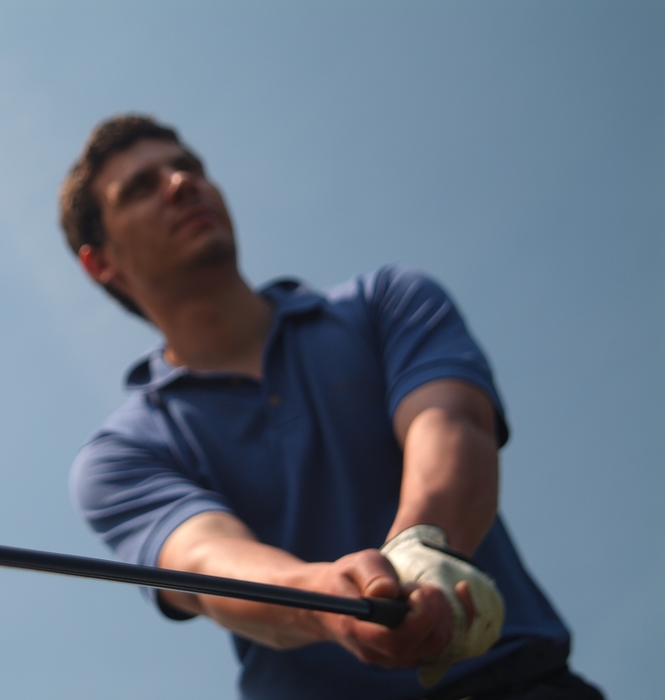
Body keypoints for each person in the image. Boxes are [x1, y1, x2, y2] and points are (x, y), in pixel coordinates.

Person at [58, 115, 603, 700]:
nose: (180, 183)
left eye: (188, 166)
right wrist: (326, 600)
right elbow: (207, 561)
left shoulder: (384, 303)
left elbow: (449, 424)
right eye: (141, 187)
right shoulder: (122, 455)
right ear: (100, 264)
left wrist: (419, 550)